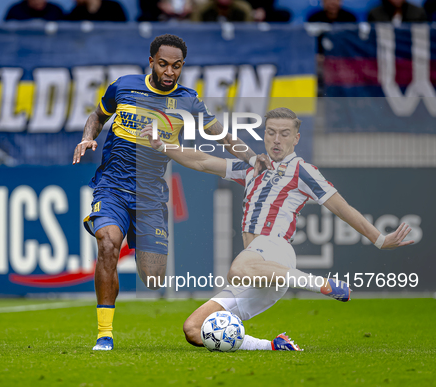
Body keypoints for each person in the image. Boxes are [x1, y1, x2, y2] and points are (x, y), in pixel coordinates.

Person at [140, 107, 414, 351]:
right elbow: (201, 161)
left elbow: (341, 207)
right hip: (260, 272)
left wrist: (378, 239)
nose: (277, 139)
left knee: (236, 270)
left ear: (296, 138)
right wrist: (162, 146)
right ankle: (273, 345)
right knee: (194, 329)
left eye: (285, 133)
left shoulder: (301, 170)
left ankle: (321, 284)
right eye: (271, 133)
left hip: (275, 252)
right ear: (264, 135)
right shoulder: (251, 167)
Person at [72, 34, 271, 351]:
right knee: (108, 243)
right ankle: (104, 335)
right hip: (112, 186)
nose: (169, 72)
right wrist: (87, 137)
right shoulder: (124, 86)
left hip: (150, 196)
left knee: (152, 279)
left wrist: (252, 157)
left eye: (176, 66)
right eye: (163, 64)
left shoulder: (188, 101)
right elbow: (97, 116)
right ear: (151, 61)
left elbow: (222, 136)